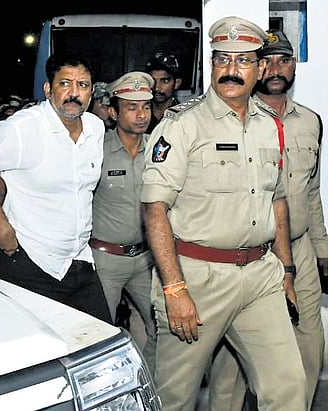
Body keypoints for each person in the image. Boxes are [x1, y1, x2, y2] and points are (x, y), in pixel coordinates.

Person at [140, 16, 306, 410]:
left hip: (260, 276)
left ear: (260, 69)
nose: (231, 69)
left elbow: (277, 201)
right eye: (223, 59)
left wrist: (286, 272)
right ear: (211, 64)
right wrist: (174, 288)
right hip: (198, 278)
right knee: (175, 398)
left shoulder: (271, 126)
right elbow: (153, 209)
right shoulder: (182, 125)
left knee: (289, 387)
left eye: (243, 60)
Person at [208, 28, 328, 411]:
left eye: (284, 60)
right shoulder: (234, 119)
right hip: (252, 253)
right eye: (269, 61)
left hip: (300, 248)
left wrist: (322, 248)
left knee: (309, 344)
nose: (276, 69)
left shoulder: (311, 121)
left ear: (294, 67)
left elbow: (311, 190)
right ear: (257, 68)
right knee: (233, 361)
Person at [0, 53, 112, 324]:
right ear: (48, 89)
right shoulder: (22, 128)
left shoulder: (95, 128)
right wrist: (1, 228)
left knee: (100, 338)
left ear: (91, 92)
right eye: (65, 84)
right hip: (29, 260)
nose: (74, 93)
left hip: (78, 260)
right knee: (31, 346)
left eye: (82, 85)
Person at [90, 71, 157, 370]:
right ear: (113, 112)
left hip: (146, 260)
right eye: (132, 107)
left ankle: (148, 385)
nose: (141, 115)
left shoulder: (158, 150)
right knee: (99, 336)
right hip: (106, 260)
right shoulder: (96, 150)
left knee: (163, 329)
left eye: (146, 107)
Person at [145, 51, 182, 134]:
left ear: (176, 83)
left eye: (165, 81)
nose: (157, 88)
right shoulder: (140, 116)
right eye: (153, 81)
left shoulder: (184, 117)